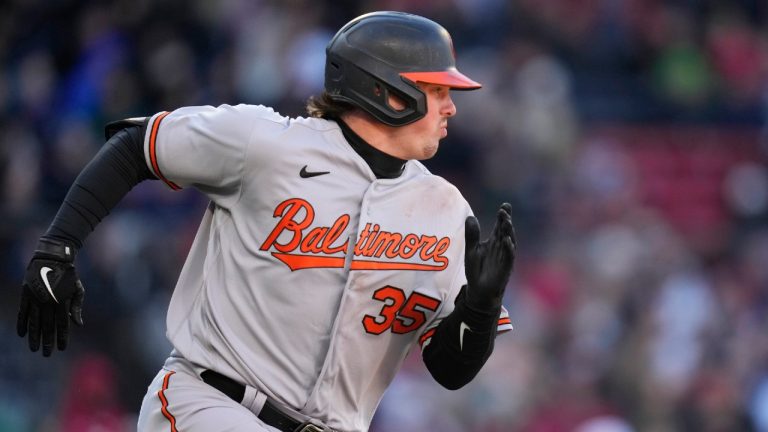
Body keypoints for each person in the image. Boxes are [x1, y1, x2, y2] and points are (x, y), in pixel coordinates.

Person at [17, 11, 516, 432]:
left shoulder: (446, 210)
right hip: (210, 404)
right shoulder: (267, 142)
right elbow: (137, 147)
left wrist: (480, 306)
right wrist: (57, 247)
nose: (451, 106)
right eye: (437, 89)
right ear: (388, 90)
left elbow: (449, 370)